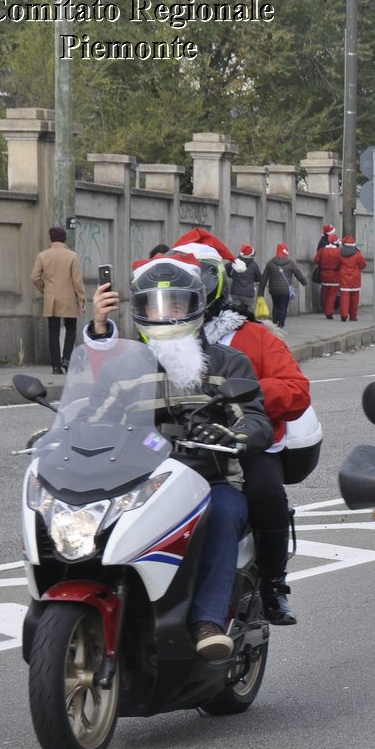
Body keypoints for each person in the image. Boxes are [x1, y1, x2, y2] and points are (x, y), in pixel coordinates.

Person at [83, 253, 274, 659]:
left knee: (223, 513)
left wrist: (231, 432)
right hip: (140, 481)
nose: (165, 314)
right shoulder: (126, 365)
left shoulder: (228, 362)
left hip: (210, 481)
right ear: (140, 310)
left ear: (196, 306)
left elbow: (256, 419)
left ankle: (206, 621)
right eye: (154, 305)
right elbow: (95, 411)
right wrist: (65, 432)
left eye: (175, 305)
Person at [172, 230, 316, 626]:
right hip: (175, 443)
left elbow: (296, 389)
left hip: (243, 442)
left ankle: (272, 583)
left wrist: (241, 398)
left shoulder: (253, 336)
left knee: (266, 493)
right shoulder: (162, 336)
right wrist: (100, 333)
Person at [32, 226, 86, 374]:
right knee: (71, 328)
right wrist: (82, 298)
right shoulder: (72, 256)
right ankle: (67, 360)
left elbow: (34, 277)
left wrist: (44, 289)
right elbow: (77, 280)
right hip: (69, 298)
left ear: (51, 239)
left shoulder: (43, 255)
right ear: (64, 239)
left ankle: (55, 365)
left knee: (53, 331)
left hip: (52, 298)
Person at [258, 244, 307, 330]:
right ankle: (281, 324)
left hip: (274, 290)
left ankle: (274, 322)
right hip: (285, 290)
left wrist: (260, 292)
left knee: (276, 306)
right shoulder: (290, 263)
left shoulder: (270, 263)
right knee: (283, 307)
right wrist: (303, 281)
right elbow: (297, 273)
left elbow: (264, 278)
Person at [337, 236, 367, 321]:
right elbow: (363, 265)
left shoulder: (340, 253)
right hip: (355, 278)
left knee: (344, 297)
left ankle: (343, 315)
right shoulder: (358, 254)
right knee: (354, 298)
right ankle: (353, 317)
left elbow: (337, 263)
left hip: (344, 277)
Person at [313, 230, 341, 320]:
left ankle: (325, 308)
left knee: (325, 293)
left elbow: (316, 260)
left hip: (324, 273)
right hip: (334, 274)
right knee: (332, 294)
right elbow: (341, 263)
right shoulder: (338, 252)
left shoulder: (322, 250)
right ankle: (329, 311)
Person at [227, 245, 260, 315]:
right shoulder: (254, 265)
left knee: (235, 312)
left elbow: (227, 269)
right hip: (248, 293)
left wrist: (232, 275)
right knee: (250, 313)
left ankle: (238, 325)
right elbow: (258, 278)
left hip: (235, 292)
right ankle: (250, 325)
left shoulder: (234, 262)